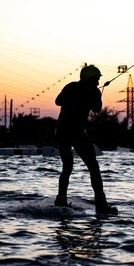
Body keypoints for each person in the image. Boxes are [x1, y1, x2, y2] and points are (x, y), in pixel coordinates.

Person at [54, 64, 118, 215]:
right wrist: (93, 95)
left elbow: (58, 101)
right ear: (88, 79)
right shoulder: (92, 92)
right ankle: (101, 205)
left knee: (67, 167)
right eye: (96, 79)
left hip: (61, 131)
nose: (97, 82)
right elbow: (97, 110)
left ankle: (61, 200)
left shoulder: (71, 87)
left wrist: (88, 94)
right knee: (93, 167)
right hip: (75, 131)